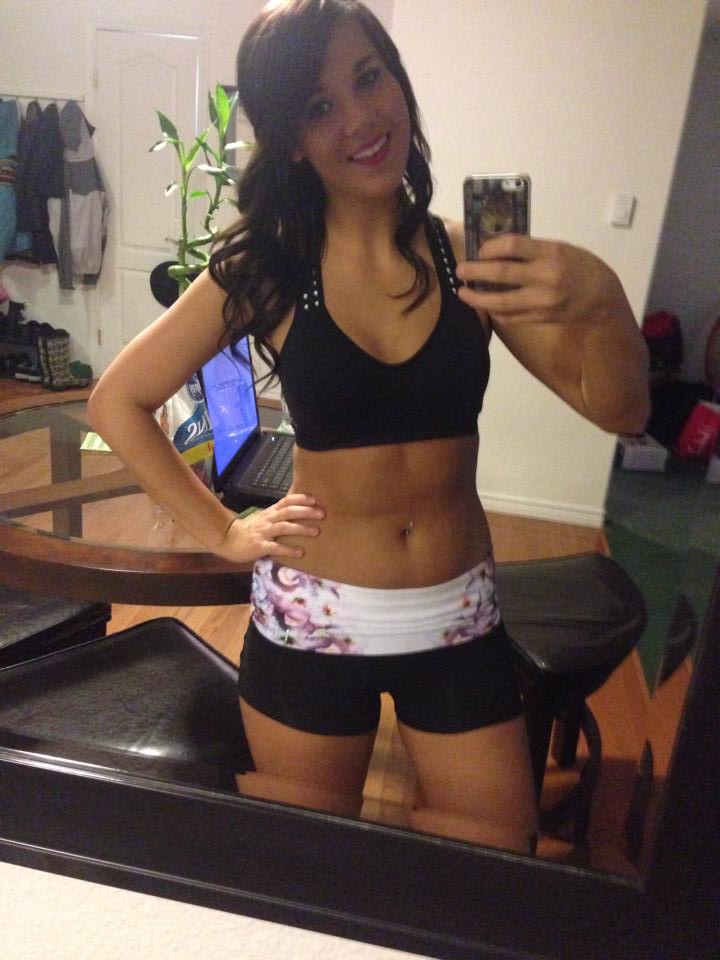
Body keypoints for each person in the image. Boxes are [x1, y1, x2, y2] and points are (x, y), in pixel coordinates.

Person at [88, 0, 649, 854]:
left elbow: (622, 409)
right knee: (310, 867)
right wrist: (224, 532)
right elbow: (118, 401)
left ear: (398, 79)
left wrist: (601, 298)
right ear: (292, 138)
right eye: (320, 106)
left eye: (369, 78)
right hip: (313, 619)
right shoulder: (268, 267)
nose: (360, 119)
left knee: (492, 853)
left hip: (458, 616)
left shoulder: (470, 259)